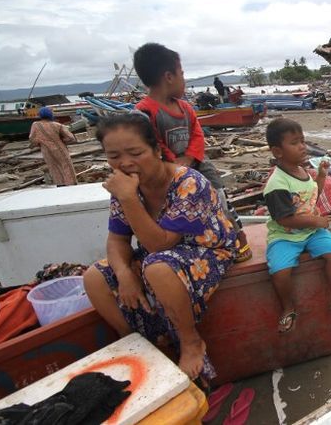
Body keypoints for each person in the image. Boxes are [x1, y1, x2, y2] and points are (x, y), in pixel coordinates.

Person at [83, 113, 237, 380]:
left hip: (209, 250)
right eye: (114, 156)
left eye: (135, 153)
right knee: (95, 277)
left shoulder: (189, 182)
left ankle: (191, 341)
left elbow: (161, 244)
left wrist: (129, 198)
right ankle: (138, 343)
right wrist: (124, 274)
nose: (125, 163)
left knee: (157, 267)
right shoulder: (126, 187)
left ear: (156, 150)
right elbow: (117, 239)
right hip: (160, 255)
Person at [132, 43, 252, 262]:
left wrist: (188, 158)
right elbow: (152, 143)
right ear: (169, 77)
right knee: (174, 209)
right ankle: (189, 248)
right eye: (182, 74)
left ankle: (236, 237)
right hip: (166, 170)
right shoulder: (144, 112)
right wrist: (174, 163)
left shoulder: (185, 107)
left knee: (220, 197)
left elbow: (197, 134)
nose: (184, 79)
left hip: (197, 162)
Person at [264, 118, 331, 333]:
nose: (302, 147)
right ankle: (288, 308)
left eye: (302, 141)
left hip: (310, 231)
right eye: (294, 143)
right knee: (280, 271)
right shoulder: (277, 184)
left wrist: (322, 176)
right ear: (278, 152)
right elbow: (284, 219)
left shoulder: (302, 171)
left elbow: (312, 196)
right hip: (285, 235)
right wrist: (316, 220)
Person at [28, 106, 78, 186]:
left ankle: (60, 184)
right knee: (66, 166)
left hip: (46, 150)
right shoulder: (58, 125)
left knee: (53, 167)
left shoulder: (35, 125)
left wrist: (39, 143)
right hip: (60, 148)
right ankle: (70, 184)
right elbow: (71, 138)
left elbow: (32, 138)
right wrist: (63, 141)